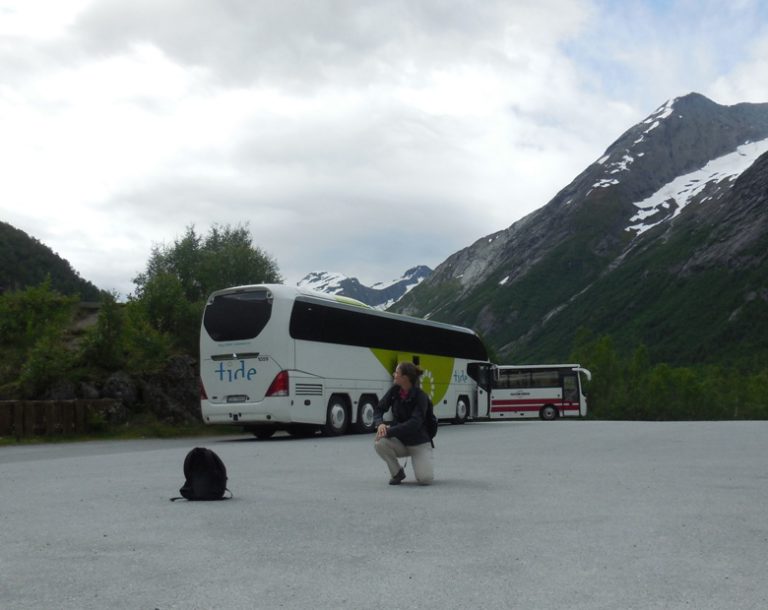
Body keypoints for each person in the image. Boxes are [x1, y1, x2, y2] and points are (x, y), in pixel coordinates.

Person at [373, 362, 434, 486]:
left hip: (419, 443)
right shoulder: (395, 391)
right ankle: (397, 473)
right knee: (379, 442)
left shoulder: (421, 397)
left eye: (396, 373)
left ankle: (421, 459)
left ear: (405, 378)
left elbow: (414, 424)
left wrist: (388, 431)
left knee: (425, 479)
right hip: (401, 441)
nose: (393, 374)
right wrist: (380, 424)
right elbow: (379, 409)